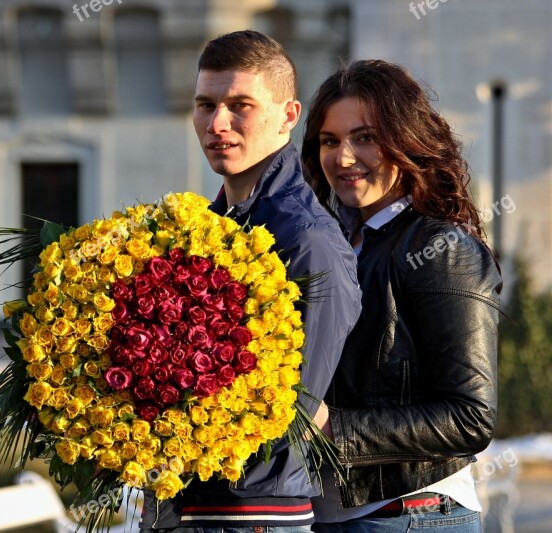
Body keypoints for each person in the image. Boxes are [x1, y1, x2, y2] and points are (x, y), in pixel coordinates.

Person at [139, 30, 362, 533]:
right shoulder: (203, 229)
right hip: (186, 509)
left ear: (289, 115)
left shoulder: (309, 241)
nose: (218, 124)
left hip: (253, 514)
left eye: (240, 105)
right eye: (205, 104)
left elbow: (293, 409)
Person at [301, 59, 502, 532]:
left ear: (406, 140)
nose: (344, 157)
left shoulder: (441, 248)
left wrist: (334, 429)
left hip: (410, 517)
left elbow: (471, 417)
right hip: (332, 516)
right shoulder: (334, 245)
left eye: (365, 137)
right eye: (330, 141)